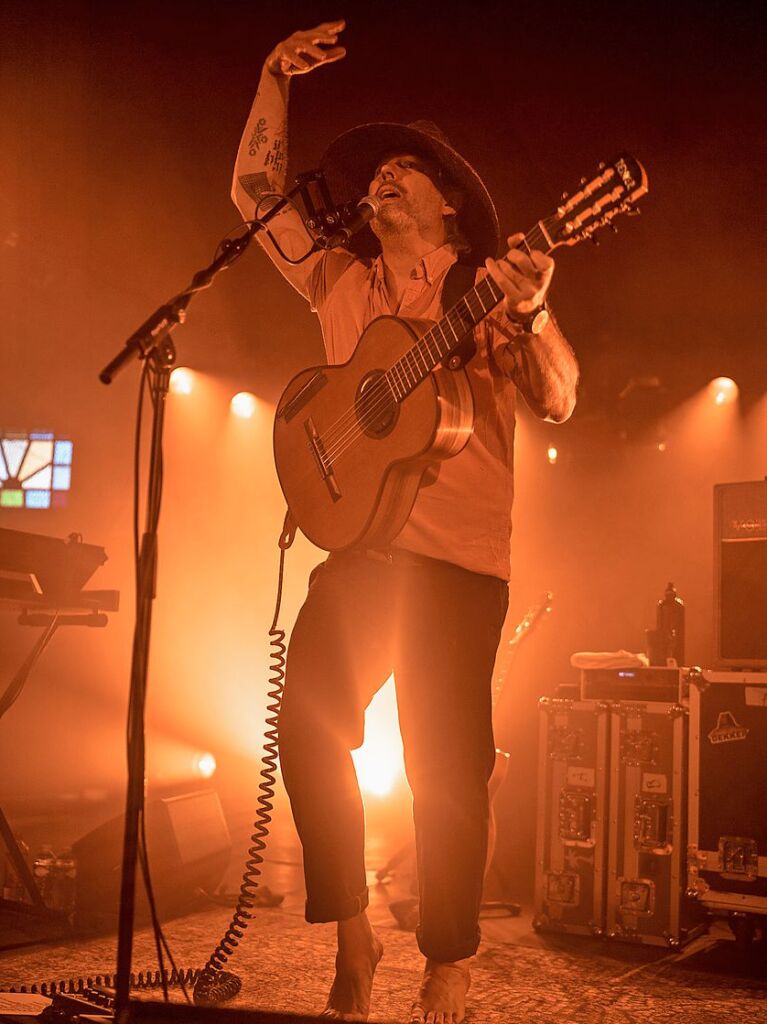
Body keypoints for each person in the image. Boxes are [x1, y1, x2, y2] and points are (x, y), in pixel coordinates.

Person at [231, 20, 578, 1024]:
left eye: (405, 171)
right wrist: (269, 81)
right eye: (378, 168)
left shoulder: (485, 295)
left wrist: (542, 309)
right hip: (358, 550)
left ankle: (450, 963)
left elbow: (556, 397)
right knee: (304, 724)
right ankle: (353, 931)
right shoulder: (344, 289)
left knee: (444, 762)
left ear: (450, 212)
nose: (382, 175)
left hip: (458, 564)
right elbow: (256, 204)